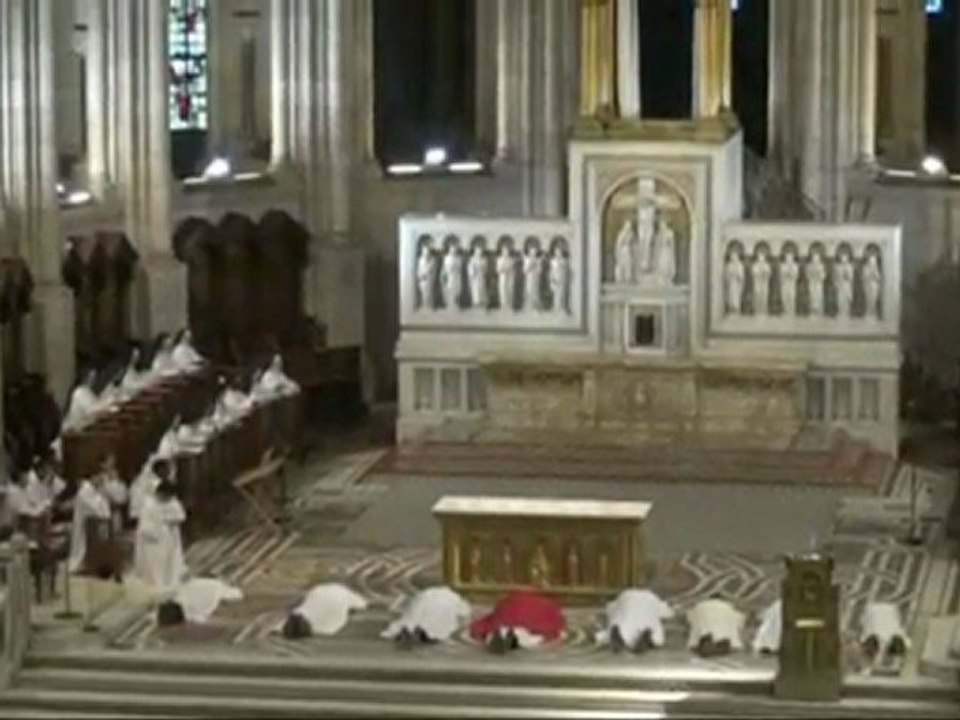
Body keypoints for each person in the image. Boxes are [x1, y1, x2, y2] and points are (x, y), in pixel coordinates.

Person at [469, 591, 565, 654]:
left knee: (502, 625)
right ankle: (516, 637)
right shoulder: (546, 606)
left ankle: (503, 633)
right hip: (531, 616)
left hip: (508, 612)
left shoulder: (514, 600)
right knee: (532, 634)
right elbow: (555, 628)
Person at [132, 480, 186, 591]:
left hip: (169, 541)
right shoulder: (149, 505)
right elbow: (145, 528)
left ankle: (169, 586)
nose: (167, 500)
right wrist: (161, 526)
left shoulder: (172, 502)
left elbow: (181, 516)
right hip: (153, 544)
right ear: (160, 493)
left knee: (170, 568)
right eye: (166, 497)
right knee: (155, 571)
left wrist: (170, 520)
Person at [381, 586, 471, 648]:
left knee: (410, 622)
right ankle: (431, 633)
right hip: (439, 629)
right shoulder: (456, 598)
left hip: (415, 622)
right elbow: (464, 617)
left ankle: (417, 631)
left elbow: (406, 610)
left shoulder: (426, 593)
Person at [595, 588, 673, 653]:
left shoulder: (625, 594)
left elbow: (609, 609)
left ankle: (616, 632)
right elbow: (669, 613)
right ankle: (647, 635)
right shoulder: (653, 597)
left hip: (624, 606)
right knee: (656, 633)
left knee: (618, 622)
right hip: (649, 612)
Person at [278, 583, 368, 639]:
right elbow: (362, 605)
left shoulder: (320, 590)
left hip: (316, 611)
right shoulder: (328, 592)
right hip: (321, 616)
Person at [67, 472, 113, 573]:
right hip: (84, 523)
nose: (101, 481)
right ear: (93, 477)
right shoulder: (84, 491)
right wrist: (102, 499)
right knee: (81, 544)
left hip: (93, 524)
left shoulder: (94, 490)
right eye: (99, 478)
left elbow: (103, 504)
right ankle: (81, 565)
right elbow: (95, 507)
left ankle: (92, 564)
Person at [166, 577, 244, 625]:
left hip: (183, 590)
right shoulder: (215, 594)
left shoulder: (218, 586)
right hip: (182, 596)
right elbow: (199, 614)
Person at [130, 458, 174, 523]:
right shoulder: (153, 483)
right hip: (147, 515)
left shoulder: (160, 482)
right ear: (160, 470)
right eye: (168, 469)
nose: (169, 472)